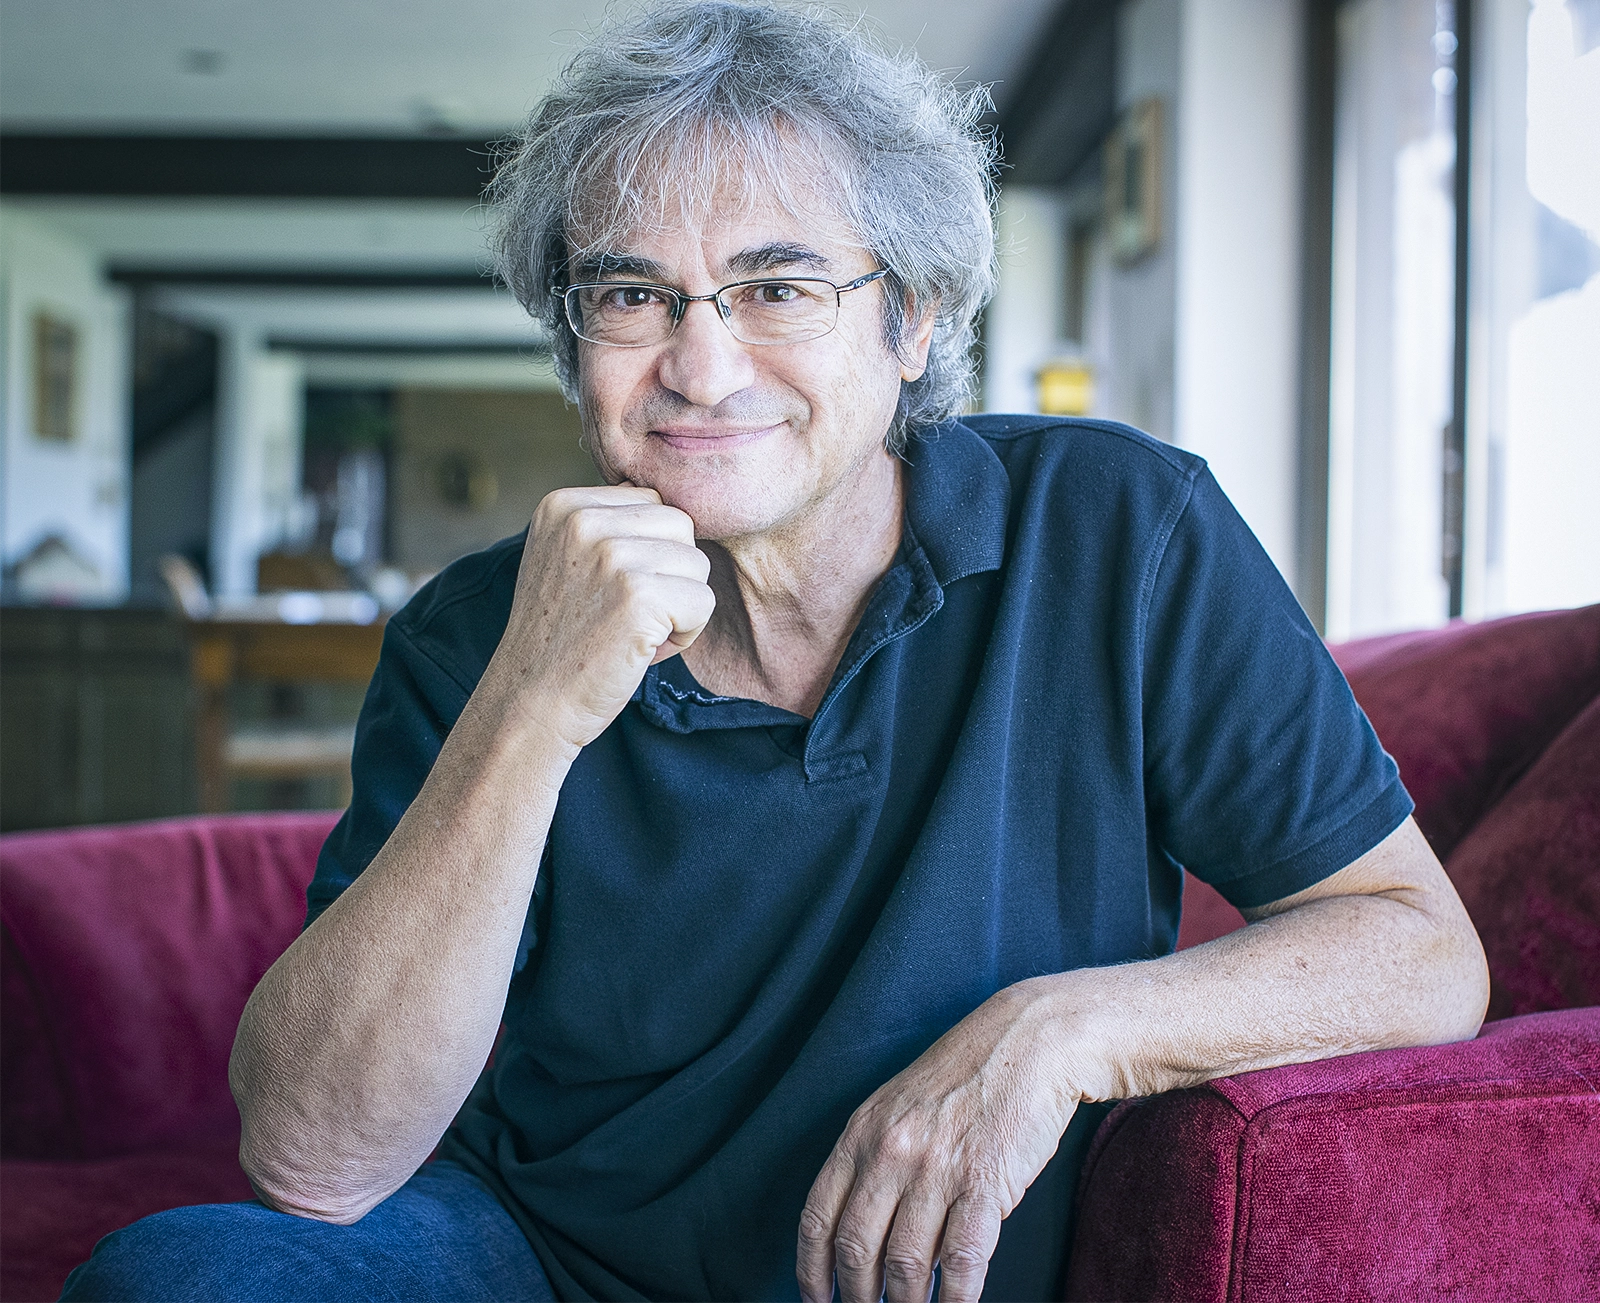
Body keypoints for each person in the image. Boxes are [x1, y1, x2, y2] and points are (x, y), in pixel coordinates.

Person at [62, 4, 1489, 1302]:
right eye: (632, 295)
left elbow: (1422, 954)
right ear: (577, 342)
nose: (701, 362)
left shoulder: (1118, 531)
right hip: (539, 1259)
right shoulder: (472, 632)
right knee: (172, 1279)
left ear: (910, 317)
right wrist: (535, 702)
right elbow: (314, 1159)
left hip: (926, 1280)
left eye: (777, 287)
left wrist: (1060, 1032)